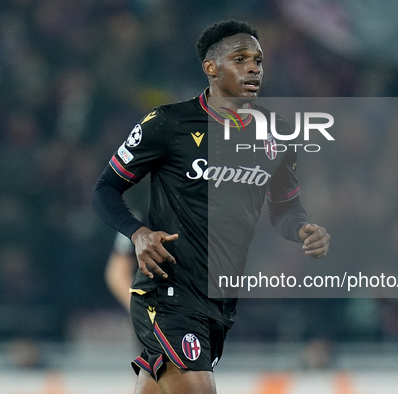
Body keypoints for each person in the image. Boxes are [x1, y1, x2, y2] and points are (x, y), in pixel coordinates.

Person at [91, 20, 330, 394]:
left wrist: (303, 229)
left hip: (218, 302)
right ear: (211, 68)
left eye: (258, 60)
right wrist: (137, 234)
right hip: (167, 291)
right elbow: (105, 189)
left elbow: (285, 210)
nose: (254, 68)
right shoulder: (168, 123)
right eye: (240, 59)